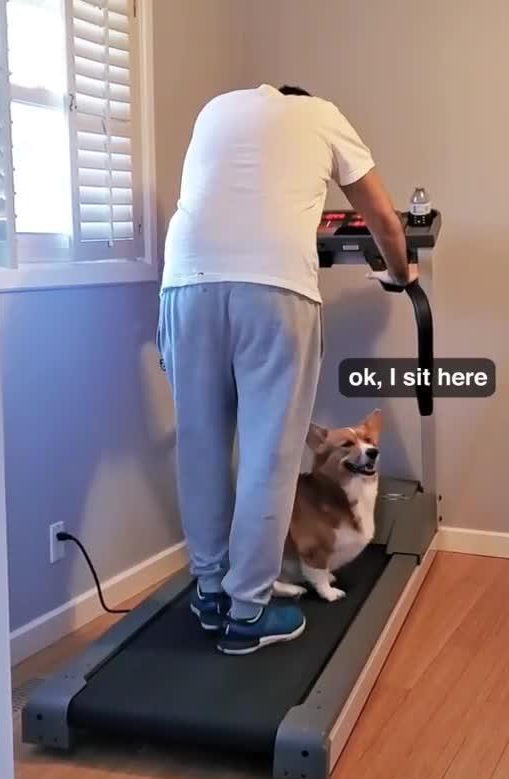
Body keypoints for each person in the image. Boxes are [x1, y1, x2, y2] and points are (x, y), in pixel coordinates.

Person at [157, 84, 416, 655]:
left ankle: (210, 594)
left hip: (184, 285)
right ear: (302, 98)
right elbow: (386, 223)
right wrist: (400, 274)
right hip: (275, 288)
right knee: (270, 456)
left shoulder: (214, 108)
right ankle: (247, 612)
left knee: (200, 447)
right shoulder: (322, 114)